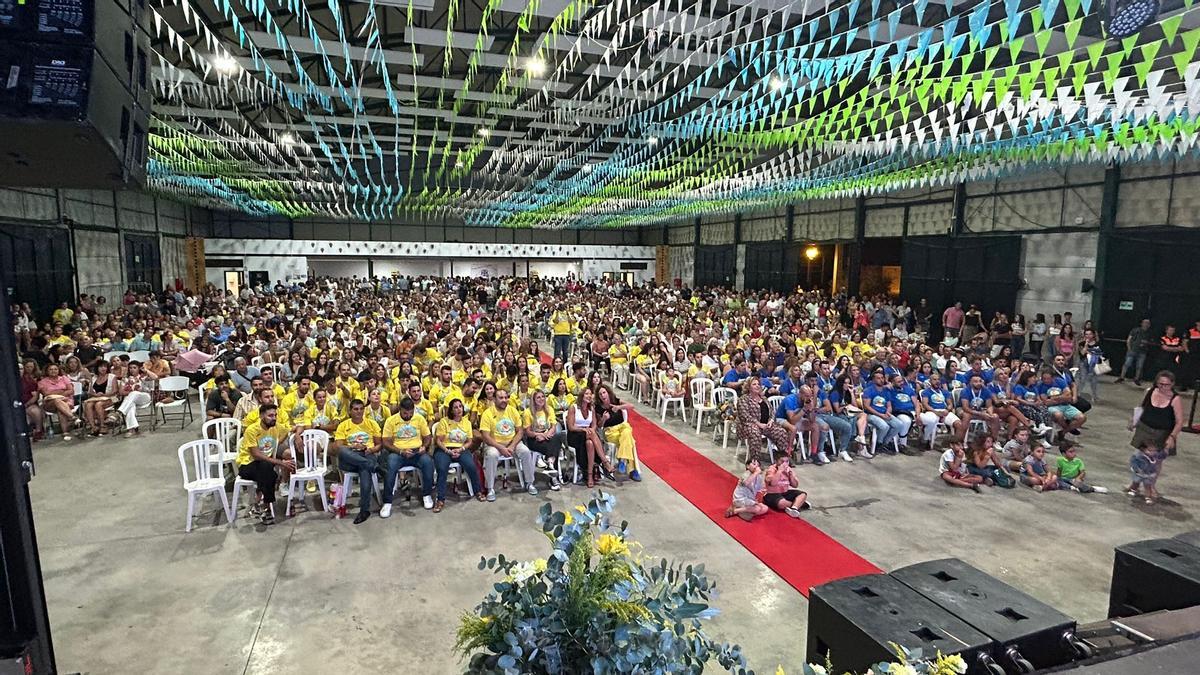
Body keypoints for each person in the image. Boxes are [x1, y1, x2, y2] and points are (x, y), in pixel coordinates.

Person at [237, 404, 296, 525]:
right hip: (247, 465)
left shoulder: (275, 427)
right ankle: (266, 505)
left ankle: (260, 504)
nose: (273, 418)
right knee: (270, 471)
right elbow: (256, 454)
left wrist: (296, 437)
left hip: (265, 466)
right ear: (261, 416)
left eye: (275, 415)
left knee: (267, 469)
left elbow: (291, 429)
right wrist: (281, 462)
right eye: (270, 415)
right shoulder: (252, 430)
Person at [380, 397, 435, 516]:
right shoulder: (391, 420)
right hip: (398, 452)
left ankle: (427, 495)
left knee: (428, 463)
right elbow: (386, 442)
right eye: (405, 413)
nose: (408, 416)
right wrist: (400, 451)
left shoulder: (419, 418)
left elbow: (427, 437)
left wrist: (424, 447)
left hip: (417, 452)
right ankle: (387, 502)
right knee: (390, 466)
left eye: (411, 413)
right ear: (400, 409)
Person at [332, 399, 383, 524]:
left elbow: (379, 445)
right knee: (343, 451)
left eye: (361, 409)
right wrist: (354, 447)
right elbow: (338, 446)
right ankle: (375, 467)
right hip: (350, 457)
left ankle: (364, 510)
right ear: (350, 411)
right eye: (355, 409)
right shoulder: (343, 425)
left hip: (367, 454)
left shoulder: (371, 424)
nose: (359, 412)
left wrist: (370, 450)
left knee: (365, 470)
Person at [479, 388, 536, 501]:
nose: (504, 400)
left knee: (525, 452)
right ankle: (490, 488)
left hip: (512, 442)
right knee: (492, 455)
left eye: (506, 397)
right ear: (494, 399)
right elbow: (485, 436)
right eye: (501, 398)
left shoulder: (512, 410)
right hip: (494, 444)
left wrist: (511, 446)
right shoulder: (487, 413)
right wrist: (500, 448)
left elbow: (520, 431)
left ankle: (529, 482)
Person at [1129, 371, 1186, 456]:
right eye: (1160, 384)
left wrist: (1172, 437)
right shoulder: (1149, 391)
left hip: (1161, 434)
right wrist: (1132, 420)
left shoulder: (1175, 399)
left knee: (1155, 460)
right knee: (1139, 457)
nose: (1163, 387)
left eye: (1167, 385)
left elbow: (1179, 421)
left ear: (1172, 384)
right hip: (1144, 429)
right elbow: (1141, 407)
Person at [736, 378, 793, 460]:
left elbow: (772, 412)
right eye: (754, 384)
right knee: (755, 432)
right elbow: (744, 415)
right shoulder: (743, 399)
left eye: (758, 384)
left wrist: (771, 421)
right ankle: (755, 461)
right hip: (748, 425)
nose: (757, 386)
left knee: (781, 432)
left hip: (765, 425)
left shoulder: (764, 398)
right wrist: (758, 424)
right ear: (749, 387)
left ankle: (783, 458)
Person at [595, 384, 641, 481]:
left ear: (608, 393)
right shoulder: (598, 407)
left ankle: (623, 460)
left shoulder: (615, 400)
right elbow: (599, 426)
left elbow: (631, 406)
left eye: (604, 393)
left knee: (627, 433)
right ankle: (632, 470)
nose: (603, 395)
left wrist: (619, 407)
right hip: (610, 431)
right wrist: (603, 418)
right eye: (600, 394)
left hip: (622, 427)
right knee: (629, 440)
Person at [520, 391, 564, 492]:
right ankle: (553, 477)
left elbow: (553, 427)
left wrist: (546, 435)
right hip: (534, 439)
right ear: (534, 400)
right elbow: (527, 432)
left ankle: (550, 463)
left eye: (543, 397)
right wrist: (539, 435)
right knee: (553, 446)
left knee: (557, 437)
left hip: (547, 436)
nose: (541, 399)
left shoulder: (549, 410)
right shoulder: (528, 412)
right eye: (538, 398)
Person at [861, 368, 906, 453]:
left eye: (882, 378)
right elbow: (866, 406)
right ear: (874, 380)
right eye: (878, 378)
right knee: (884, 426)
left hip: (884, 413)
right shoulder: (869, 390)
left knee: (899, 424)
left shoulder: (886, 391)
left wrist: (888, 412)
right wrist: (880, 415)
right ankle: (878, 443)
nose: (881, 380)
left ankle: (885, 442)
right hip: (871, 414)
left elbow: (889, 405)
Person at [918, 371, 960, 449]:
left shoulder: (945, 392)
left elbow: (950, 404)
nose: (937, 381)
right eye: (934, 379)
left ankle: (955, 444)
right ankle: (925, 439)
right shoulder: (926, 392)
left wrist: (947, 410)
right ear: (930, 381)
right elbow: (925, 404)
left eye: (938, 379)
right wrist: (936, 412)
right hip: (932, 411)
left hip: (944, 411)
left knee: (958, 424)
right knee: (931, 421)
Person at [114, 360, 157, 438]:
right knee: (131, 405)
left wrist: (146, 370)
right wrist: (131, 392)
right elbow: (121, 392)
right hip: (131, 399)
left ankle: (119, 412)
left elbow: (155, 377)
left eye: (134, 367)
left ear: (139, 368)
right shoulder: (126, 379)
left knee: (133, 393)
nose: (132, 369)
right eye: (130, 368)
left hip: (145, 397)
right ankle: (131, 430)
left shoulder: (144, 377)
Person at [38, 363, 79, 440]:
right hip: (50, 403)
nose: (53, 371)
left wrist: (57, 393)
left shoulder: (64, 378)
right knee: (57, 401)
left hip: (66, 401)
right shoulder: (42, 382)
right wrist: (62, 392)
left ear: (58, 370)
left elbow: (71, 391)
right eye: (51, 369)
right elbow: (46, 394)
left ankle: (65, 432)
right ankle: (72, 417)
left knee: (60, 409)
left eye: (55, 369)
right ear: (47, 371)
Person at [725, 457, 768, 522]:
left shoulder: (758, 477)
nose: (756, 466)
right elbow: (746, 483)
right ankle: (736, 511)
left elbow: (760, 489)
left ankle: (741, 511)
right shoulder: (746, 474)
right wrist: (756, 473)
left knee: (765, 508)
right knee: (757, 509)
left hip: (749, 499)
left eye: (758, 465)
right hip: (740, 499)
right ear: (747, 466)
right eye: (754, 464)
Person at [1127, 440, 1167, 505]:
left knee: (1147, 486)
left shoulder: (1155, 456)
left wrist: (1165, 449)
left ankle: (1148, 497)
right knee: (1136, 482)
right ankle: (1133, 490)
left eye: (1154, 451)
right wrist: (1136, 469)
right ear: (1143, 449)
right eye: (1150, 451)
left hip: (1149, 474)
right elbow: (1133, 462)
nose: (1152, 453)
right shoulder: (1138, 456)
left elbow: (1162, 456)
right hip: (1139, 473)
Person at [1115, 318, 1152, 385]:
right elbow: (1129, 339)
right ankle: (1121, 377)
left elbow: (1150, 342)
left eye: (1148, 323)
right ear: (1142, 323)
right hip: (1133, 350)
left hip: (1142, 352)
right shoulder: (1135, 330)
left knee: (1139, 366)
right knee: (1127, 364)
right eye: (1145, 322)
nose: (1146, 324)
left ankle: (1137, 379)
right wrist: (1129, 348)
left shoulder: (1149, 333)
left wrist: (1146, 343)